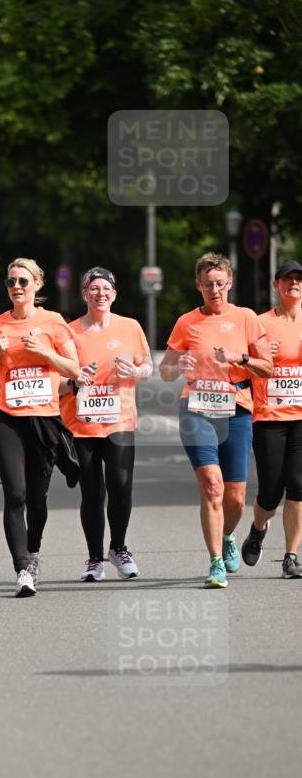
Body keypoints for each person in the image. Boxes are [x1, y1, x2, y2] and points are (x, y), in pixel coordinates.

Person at [160, 252, 272, 588]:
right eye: (208, 284)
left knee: (236, 498)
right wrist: (176, 367)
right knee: (212, 484)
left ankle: (227, 536)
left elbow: (267, 366)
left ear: (230, 283)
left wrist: (241, 357)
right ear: (198, 286)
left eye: (220, 283)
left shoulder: (247, 318)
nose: (215, 290)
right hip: (196, 407)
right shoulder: (186, 322)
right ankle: (215, 563)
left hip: (236, 406)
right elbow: (165, 370)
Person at [0, 258, 80, 597]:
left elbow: (74, 369)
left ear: (37, 285)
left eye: (22, 281)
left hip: (44, 420)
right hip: (6, 418)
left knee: (37, 498)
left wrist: (47, 352)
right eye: (10, 282)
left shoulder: (53, 322)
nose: (16, 287)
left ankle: (33, 552)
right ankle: (22, 570)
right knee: (14, 493)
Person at [59, 267, 152, 582]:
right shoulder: (68, 332)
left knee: (121, 486)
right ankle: (94, 559)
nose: (101, 294)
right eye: (94, 288)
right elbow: (54, 381)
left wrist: (136, 373)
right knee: (92, 492)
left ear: (115, 294)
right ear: (84, 294)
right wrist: (72, 381)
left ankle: (119, 547)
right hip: (81, 424)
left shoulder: (130, 327)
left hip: (120, 421)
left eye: (106, 288)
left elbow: (147, 366)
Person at [241, 259, 302, 578]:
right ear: (277, 285)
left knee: (299, 485)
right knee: (270, 491)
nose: (293, 283)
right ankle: (259, 527)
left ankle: (291, 556)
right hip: (269, 416)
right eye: (287, 279)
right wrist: (259, 354)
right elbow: (239, 362)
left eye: (298, 279)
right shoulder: (261, 323)